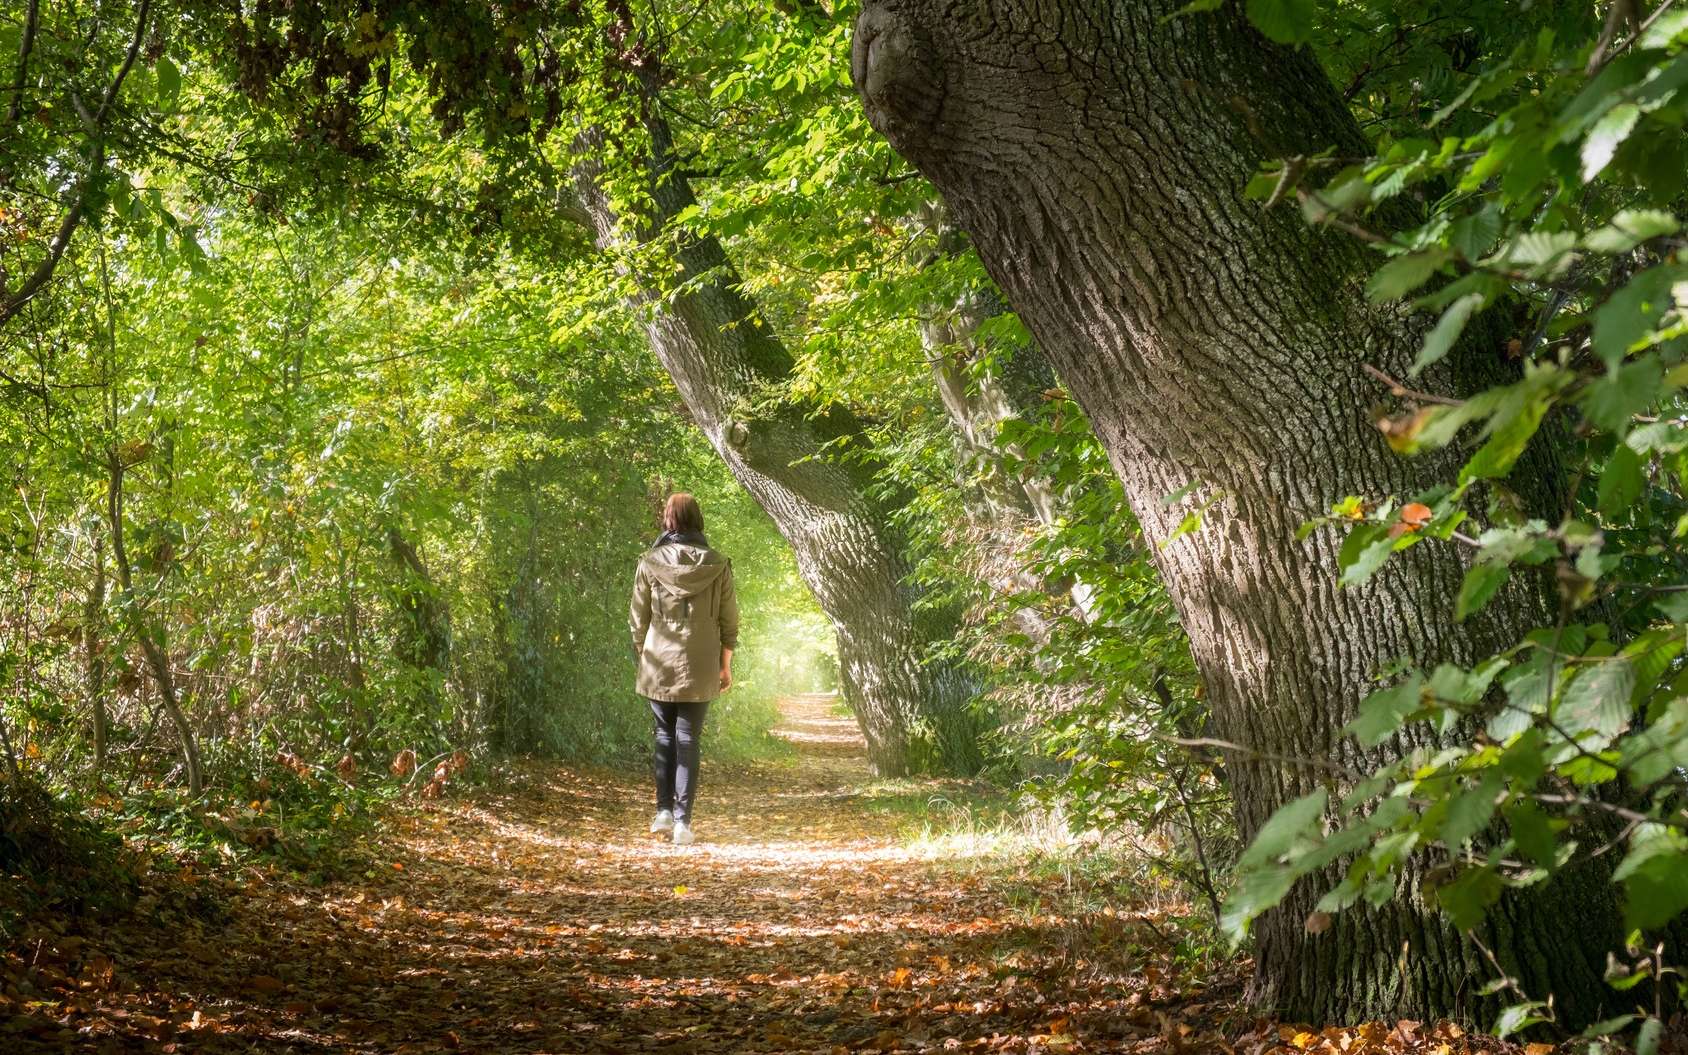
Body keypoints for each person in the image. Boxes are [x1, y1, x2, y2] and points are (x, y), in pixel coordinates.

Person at [628, 493, 739, 845]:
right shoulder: (718, 564)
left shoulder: (649, 562)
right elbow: (729, 622)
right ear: (698, 518)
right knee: (689, 739)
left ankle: (662, 811)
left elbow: (637, 620)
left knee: (664, 734)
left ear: (668, 520)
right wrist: (725, 666)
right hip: (701, 661)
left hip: (658, 659)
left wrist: (643, 654)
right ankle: (682, 823)